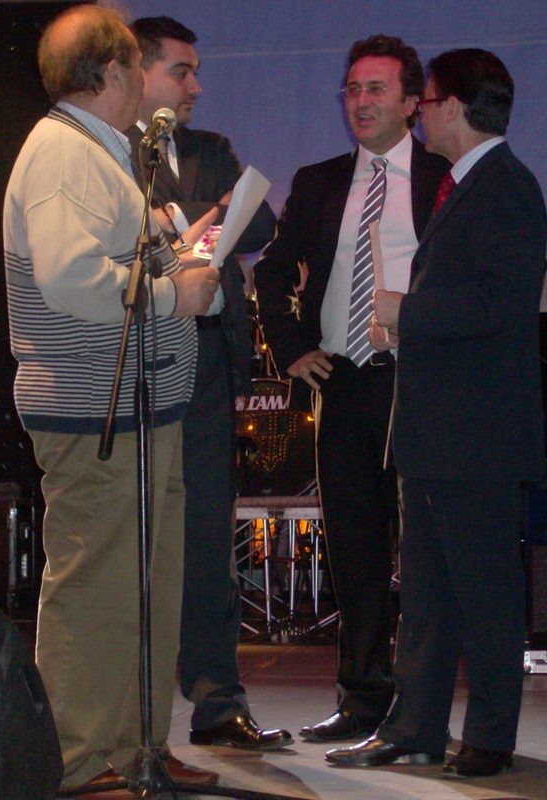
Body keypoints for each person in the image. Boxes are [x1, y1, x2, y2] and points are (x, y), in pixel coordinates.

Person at [3, 5, 222, 793]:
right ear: (112, 71)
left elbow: (116, 263)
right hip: (95, 412)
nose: (150, 82)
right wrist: (173, 294)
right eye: (137, 64)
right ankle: (82, 762)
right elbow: (70, 279)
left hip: (134, 409)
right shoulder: (65, 153)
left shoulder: (104, 151)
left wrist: (182, 261)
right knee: (98, 591)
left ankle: (136, 751)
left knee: (144, 589)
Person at [325, 49, 547, 778]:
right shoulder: (468, 184)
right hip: (435, 429)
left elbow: (502, 303)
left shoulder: (507, 186)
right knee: (425, 592)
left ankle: (489, 736)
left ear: (451, 107)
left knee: (484, 591)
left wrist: (406, 313)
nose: (418, 114)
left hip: (475, 433)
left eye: (424, 102)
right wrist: (409, 324)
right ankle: (414, 726)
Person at [254, 35, 448, 743]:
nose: (360, 103)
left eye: (376, 90)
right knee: (355, 547)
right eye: (352, 90)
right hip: (342, 381)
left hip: (419, 381)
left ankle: (417, 706)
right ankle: (362, 699)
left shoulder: (443, 177)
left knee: (423, 548)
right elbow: (272, 272)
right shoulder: (319, 180)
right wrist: (292, 348)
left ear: (412, 102)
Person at [127, 16, 293, 751]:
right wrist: (202, 219)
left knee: (205, 540)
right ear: (137, 72)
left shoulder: (211, 149)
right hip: (134, 366)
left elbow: (260, 225)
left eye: (196, 72)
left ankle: (217, 699)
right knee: (132, 542)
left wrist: (179, 222)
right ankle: (127, 715)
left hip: (205, 367)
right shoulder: (110, 152)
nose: (195, 86)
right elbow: (130, 239)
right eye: (181, 71)